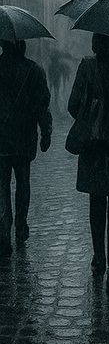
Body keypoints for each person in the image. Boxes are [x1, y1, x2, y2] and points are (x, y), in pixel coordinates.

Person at [68, 33, 109, 294]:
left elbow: (73, 105)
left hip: (94, 146)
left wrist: (93, 112)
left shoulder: (87, 66)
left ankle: (98, 256)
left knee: (97, 203)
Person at [0, 40, 52, 255]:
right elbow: (42, 105)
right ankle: (21, 226)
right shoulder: (34, 71)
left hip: (1, 139)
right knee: (23, 184)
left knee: (2, 186)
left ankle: (3, 231)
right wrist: (46, 131)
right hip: (24, 138)